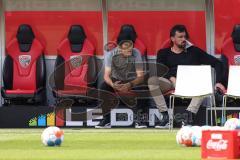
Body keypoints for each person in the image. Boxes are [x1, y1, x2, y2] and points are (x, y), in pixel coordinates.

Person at [148, 24, 226, 128]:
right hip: (171, 83)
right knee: (152, 81)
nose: (183, 39)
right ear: (172, 39)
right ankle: (165, 117)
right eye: (180, 37)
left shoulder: (194, 52)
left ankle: (189, 116)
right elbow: (160, 70)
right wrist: (172, 78)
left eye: (185, 37)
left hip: (190, 84)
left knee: (204, 85)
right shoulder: (163, 53)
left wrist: (219, 82)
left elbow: (217, 63)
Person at [95, 38, 147, 128]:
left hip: (132, 80)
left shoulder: (136, 53)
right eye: (126, 47)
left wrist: (130, 84)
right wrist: (112, 84)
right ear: (119, 48)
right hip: (116, 80)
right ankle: (106, 119)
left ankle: (140, 120)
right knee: (103, 86)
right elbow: (106, 76)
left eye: (131, 46)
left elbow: (140, 76)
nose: (130, 49)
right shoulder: (110, 55)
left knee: (142, 87)